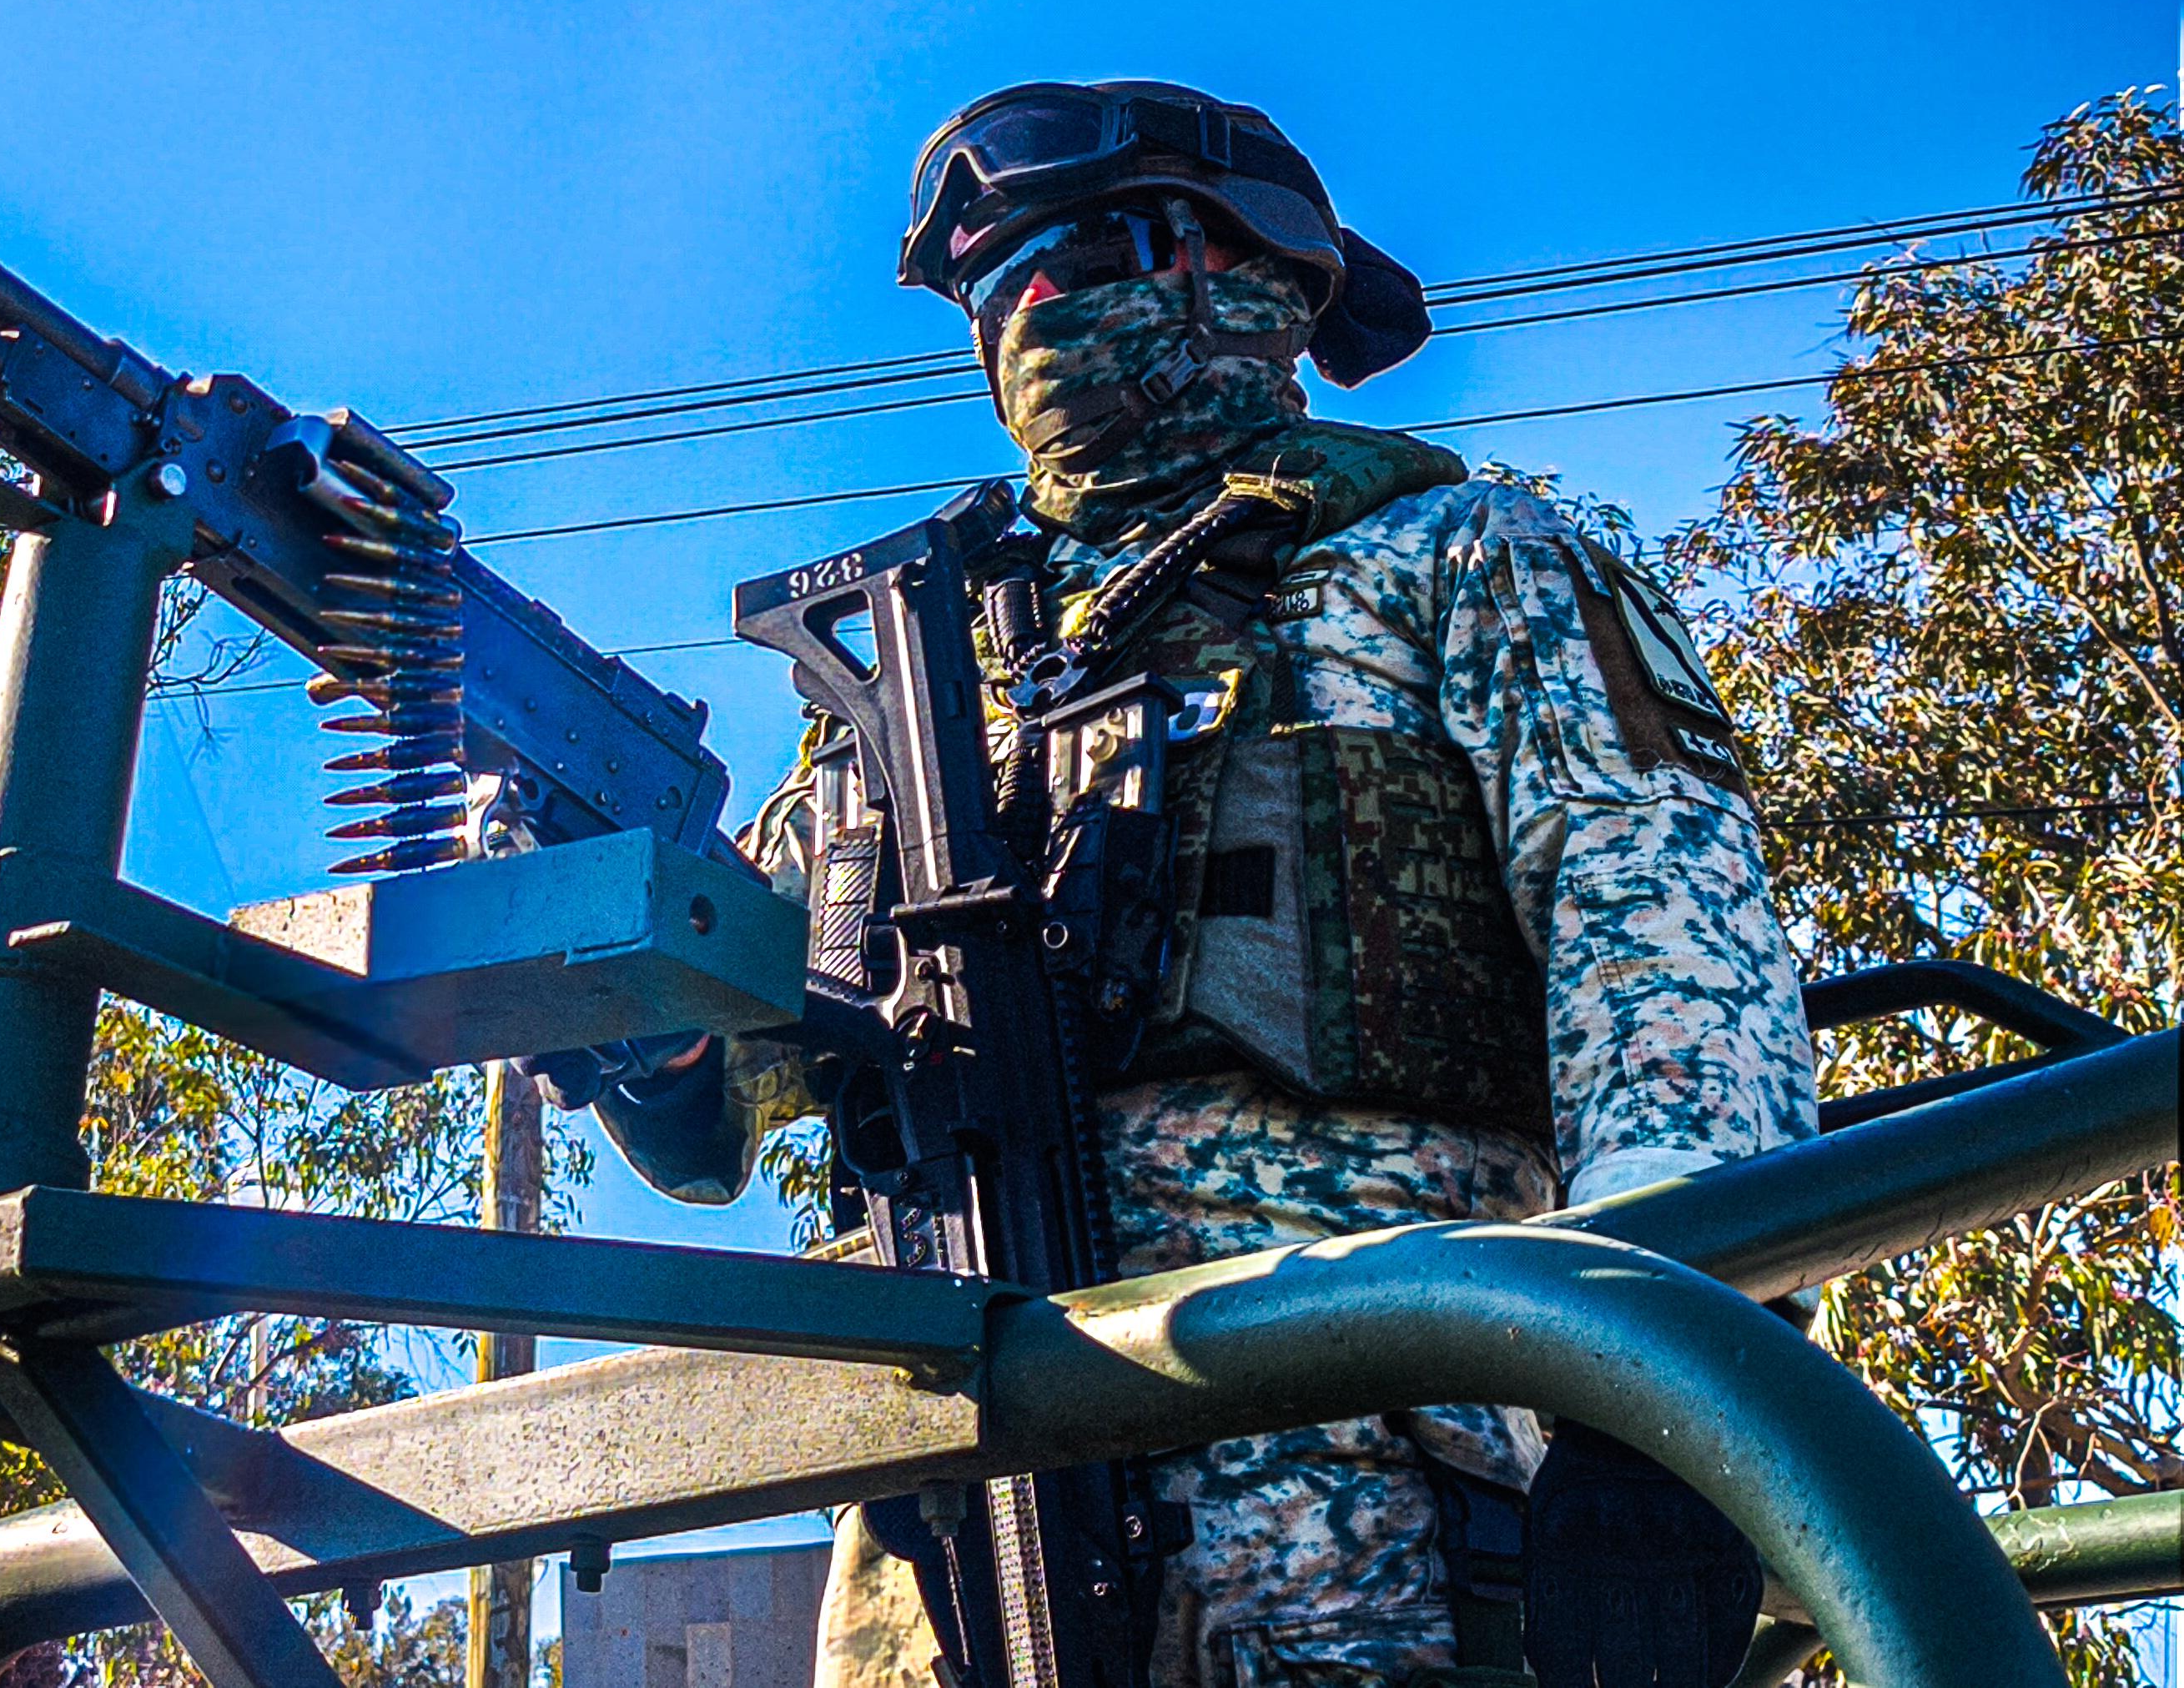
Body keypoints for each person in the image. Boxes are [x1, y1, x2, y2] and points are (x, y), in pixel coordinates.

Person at [530, 82, 1820, 1688]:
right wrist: (624, 981)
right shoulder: (911, 687)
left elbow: (1674, 972)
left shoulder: (1458, 563)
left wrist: (1664, 1403)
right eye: (998, 290)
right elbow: (729, 1079)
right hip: (949, 1525)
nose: (1029, 317)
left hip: (1354, 1482)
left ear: (1239, 270)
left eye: (1074, 264)